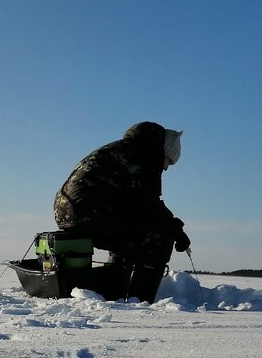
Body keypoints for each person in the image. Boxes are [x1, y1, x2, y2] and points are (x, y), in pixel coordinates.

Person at [53, 121, 190, 302]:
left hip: (65, 211)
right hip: (91, 213)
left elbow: (138, 203)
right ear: (164, 152)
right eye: (169, 162)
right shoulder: (145, 157)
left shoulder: (123, 149)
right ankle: (140, 300)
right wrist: (175, 230)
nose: (166, 168)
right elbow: (149, 204)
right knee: (160, 237)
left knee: (129, 235)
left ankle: (114, 290)